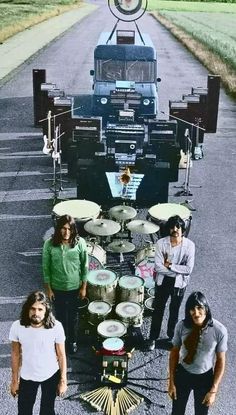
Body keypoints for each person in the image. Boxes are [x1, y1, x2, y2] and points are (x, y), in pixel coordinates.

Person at [168, 291, 228, 415]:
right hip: (183, 374)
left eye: (200, 307)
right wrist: (171, 382)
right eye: (192, 309)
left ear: (206, 308)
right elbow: (174, 353)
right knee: (177, 412)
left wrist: (213, 390)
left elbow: (221, 360)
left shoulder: (219, 330)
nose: (196, 313)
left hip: (204, 378)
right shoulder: (182, 326)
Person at [9, 291, 67, 415]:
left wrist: (63, 381)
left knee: (47, 410)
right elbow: (15, 354)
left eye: (40, 309)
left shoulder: (56, 327)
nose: (36, 313)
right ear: (27, 309)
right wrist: (14, 381)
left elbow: (61, 355)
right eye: (33, 309)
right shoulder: (17, 327)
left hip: (51, 374)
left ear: (46, 310)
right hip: (27, 375)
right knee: (24, 411)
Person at [147, 214, 195, 350]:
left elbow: (189, 269)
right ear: (168, 229)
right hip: (163, 282)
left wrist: (170, 266)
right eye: (172, 227)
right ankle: (153, 338)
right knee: (158, 310)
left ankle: (171, 337)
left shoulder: (190, 246)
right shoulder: (161, 243)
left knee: (174, 311)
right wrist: (176, 271)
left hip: (179, 284)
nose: (175, 229)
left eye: (178, 227)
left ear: (182, 229)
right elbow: (158, 267)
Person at [42, 214, 88, 353]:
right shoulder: (49, 244)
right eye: (63, 228)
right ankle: (61, 341)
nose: (66, 232)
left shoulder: (80, 243)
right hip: (57, 288)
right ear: (58, 229)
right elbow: (46, 269)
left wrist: (83, 287)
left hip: (75, 287)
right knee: (60, 317)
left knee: (73, 317)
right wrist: (49, 290)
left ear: (73, 230)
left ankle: (72, 341)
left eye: (69, 229)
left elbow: (85, 266)